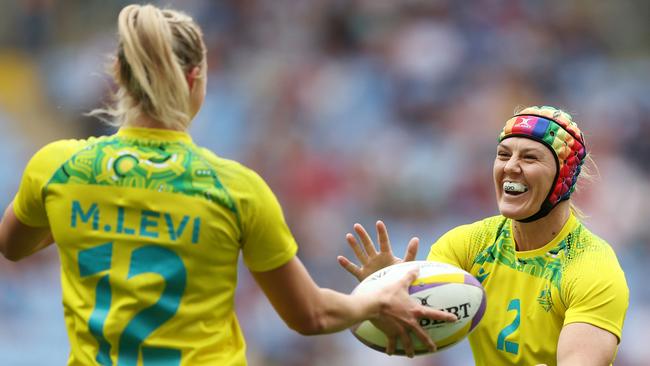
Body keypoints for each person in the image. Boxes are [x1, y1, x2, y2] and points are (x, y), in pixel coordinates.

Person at [0, 4, 456, 365]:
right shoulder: (235, 189)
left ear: (119, 75)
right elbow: (311, 315)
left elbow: (13, 247)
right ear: (196, 79)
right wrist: (374, 300)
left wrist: (102, 217)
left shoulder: (57, 167)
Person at [338, 106, 629, 365]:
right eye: (503, 154)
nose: (510, 166)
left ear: (564, 176)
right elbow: (421, 330)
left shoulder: (593, 268)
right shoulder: (466, 245)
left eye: (529, 157)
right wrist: (386, 296)